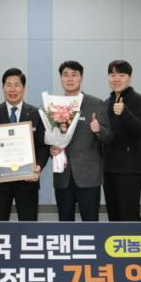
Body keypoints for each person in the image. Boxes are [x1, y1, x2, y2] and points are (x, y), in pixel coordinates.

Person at [0, 68, 49, 221]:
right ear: (3, 87)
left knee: (29, 224)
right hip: (0, 180)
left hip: (27, 180)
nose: (12, 89)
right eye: (8, 85)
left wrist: (38, 166)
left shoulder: (36, 114)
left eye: (17, 85)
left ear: (24, 88)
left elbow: (43, 146)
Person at [51, 61, 112, 222]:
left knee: (90, 222)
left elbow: (108, 137)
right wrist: (51, 149)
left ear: (81, 78)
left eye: (74, 75)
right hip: (62, 174)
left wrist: (98, 129)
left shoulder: (95, 103)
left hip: (88, 175)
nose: (70, 79)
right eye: (65, 75)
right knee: (65, 221)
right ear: (61, 79)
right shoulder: (54, 105)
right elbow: (50, 137)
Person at [102, 60, 141, 221]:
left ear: (129, 78)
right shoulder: (107, 103)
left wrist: (125, 113)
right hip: (109, 169)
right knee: (113, 216)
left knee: (129, 216)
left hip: (129, 170)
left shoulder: (138, 100)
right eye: (112, 75)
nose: (116, 79)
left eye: (121, 75)